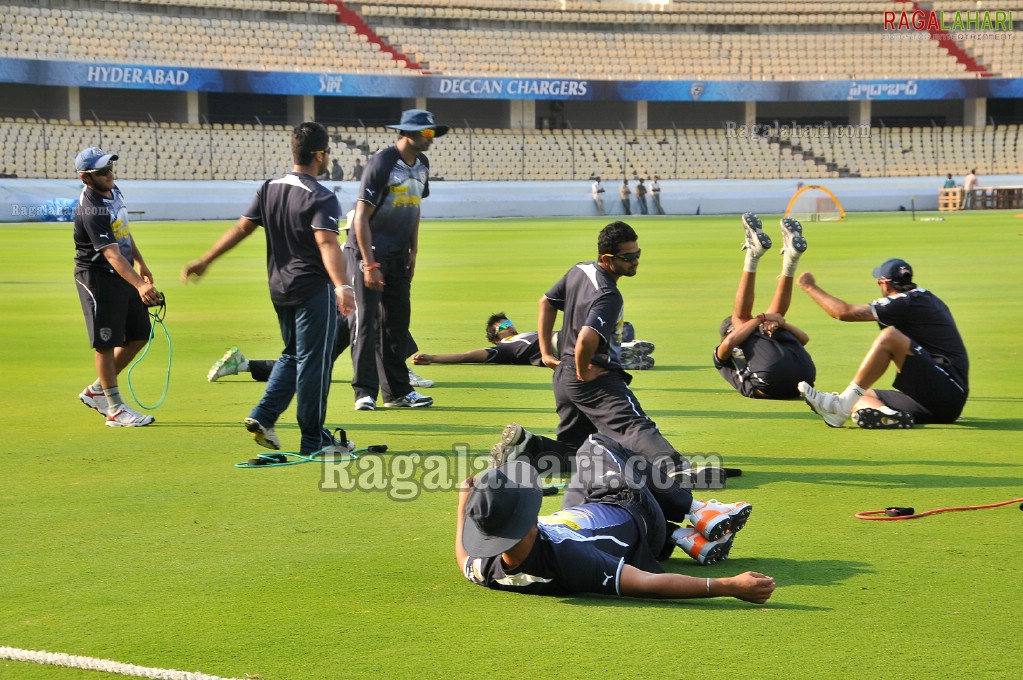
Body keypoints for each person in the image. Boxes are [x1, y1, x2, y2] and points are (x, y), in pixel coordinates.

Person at [181, 122, 355, 455]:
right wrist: (343, 285)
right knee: (315, 364)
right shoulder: (321, 196)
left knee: (292, 354)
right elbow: (328, 244)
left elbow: (241, 229)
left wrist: (206, 259)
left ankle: (263, 416)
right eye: (328, 151)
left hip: (279, 288)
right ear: (320, 155)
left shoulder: (268, 188)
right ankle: (314, 440)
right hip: (311, 289)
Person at [456, 434, 773, 601]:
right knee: (595, 446)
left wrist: (464, 505)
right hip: (635, 516)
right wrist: (728, 586)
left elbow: (463, 556)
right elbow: (648, 584)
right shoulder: (571, 559)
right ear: (529, 525)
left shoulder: (488, 568)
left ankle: (683, 537)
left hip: (596, 514)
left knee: (584, 477)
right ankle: (698, 511)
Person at [500, 221, 688, 480]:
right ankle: (675, 469)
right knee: (633, 424)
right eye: (628, 257)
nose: (635, 262)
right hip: (592, 377)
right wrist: (582, 369)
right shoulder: (609, 295)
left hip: (564, 378)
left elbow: (546, 302)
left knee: (577, 450)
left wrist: (545, 353)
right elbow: (586, 339)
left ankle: (528, 450)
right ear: (607, 258)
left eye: (638, 254)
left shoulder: (581, 270)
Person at [344, 109, 447, 411]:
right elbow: (361, 217)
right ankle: (364, 392)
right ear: (408, 133)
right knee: (366, 324)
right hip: (370, 253)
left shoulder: (423, 165)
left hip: (399, 255)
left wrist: (414, 251)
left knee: (397, 325)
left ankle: (397, 392)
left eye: (432, 133)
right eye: (426, 133)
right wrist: (369, 263)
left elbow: (413, 208)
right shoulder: (382, 163)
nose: (431, 139)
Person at [797, 258, 969, 429]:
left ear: (885, 284)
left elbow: (843, 312)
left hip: (947, 392)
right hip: (939, 403)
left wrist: (809, 286)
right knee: (861, 399)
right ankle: (890, 416)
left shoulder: (905, 301)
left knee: (890, 337)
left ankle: (839, 406)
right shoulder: (924, 298)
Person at [73, 146, 161, 427]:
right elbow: (110, 252)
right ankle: (114, 409)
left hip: (122, 273)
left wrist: (140, 263)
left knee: (139, 334)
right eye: (102, 171)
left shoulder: (114, 191)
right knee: (106, 343)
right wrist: (140, 285)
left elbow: (122, 230)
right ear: (86, 178)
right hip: (98, 277)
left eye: (110, 167)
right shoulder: (91, 207)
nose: (110, 173)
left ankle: (97, 390)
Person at [714, 213, 816, 399]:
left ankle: (784, 259)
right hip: (784, 381)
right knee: (742, 318)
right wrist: (771, 321)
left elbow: (804, 338)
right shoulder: (723, 355)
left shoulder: (763, 338)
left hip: (804, 378)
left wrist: (770, 320)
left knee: (769, 316)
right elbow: (729, 342)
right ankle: (764, 257)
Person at [410, 312, 655, 370]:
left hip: (560, 338)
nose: (510, 326)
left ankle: (622, 352)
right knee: (594, 335)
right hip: (560, 344)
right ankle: (622, 352)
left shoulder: (520, 334)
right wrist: (432, 357)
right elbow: (467, 356)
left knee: (622, 327)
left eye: (509, 322)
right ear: (497, 337)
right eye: (504, 326)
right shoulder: (503, 349)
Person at [206, 328, 434, 388]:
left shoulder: (347, 248)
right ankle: (399, 373)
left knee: (308, 367)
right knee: (308, 369)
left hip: (336, 311)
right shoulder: (361, 253)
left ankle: (244, 364)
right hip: (341, 312)